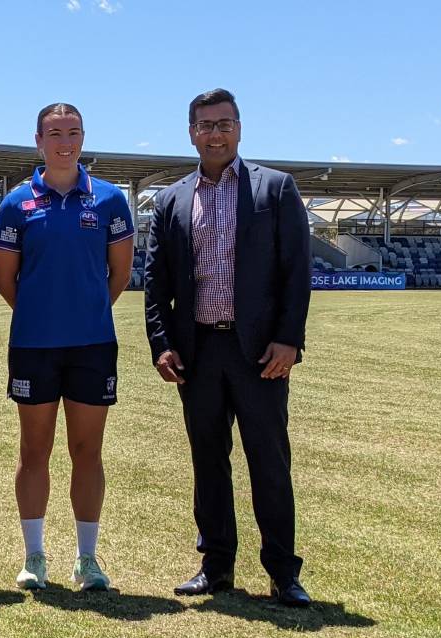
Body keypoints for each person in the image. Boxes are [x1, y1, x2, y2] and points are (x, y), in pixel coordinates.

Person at [143, 88, 312, 607]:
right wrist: (162, 344)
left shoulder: (275, 189)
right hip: (199, 353)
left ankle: (284, 573)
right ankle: (215, 567)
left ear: (239, 128)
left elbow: (296, 272)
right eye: (204, 125)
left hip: (259, 354)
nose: (214, 133)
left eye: (223, 124)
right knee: (208, 463)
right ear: (190, 132)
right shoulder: (172, 199)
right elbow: (156, 281)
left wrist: (289, 341)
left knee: (269, 462)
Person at [0, 103, 134, 591]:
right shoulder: (16, 204)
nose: (64, 142)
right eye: (54, 134)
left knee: (86, 451)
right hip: (34, 344)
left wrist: (84, 309)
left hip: (93, 343)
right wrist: (43, 313)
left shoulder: (111, 199)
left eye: (72, 133)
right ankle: (35, 557)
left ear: (82, 137)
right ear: (38, 140)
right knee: (34, 450)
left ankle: (87, 560)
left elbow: (118, 276)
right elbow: (8, 282)